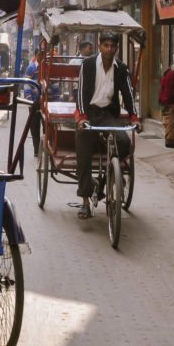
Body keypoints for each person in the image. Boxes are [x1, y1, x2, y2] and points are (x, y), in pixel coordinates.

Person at [73, 31, 138, 219]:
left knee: (124, 143)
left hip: (107, 114)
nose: (109, 49)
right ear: (100, 46)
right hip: (88, 113)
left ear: (117, 49)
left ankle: (105, 181)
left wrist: (134, 117)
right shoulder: (88, 64)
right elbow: (81, 94)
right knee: (83, 154)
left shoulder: (121, 68)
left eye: (112, 46)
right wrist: (83, 117)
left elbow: (128, 94)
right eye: (106, 45)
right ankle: (85, 201)